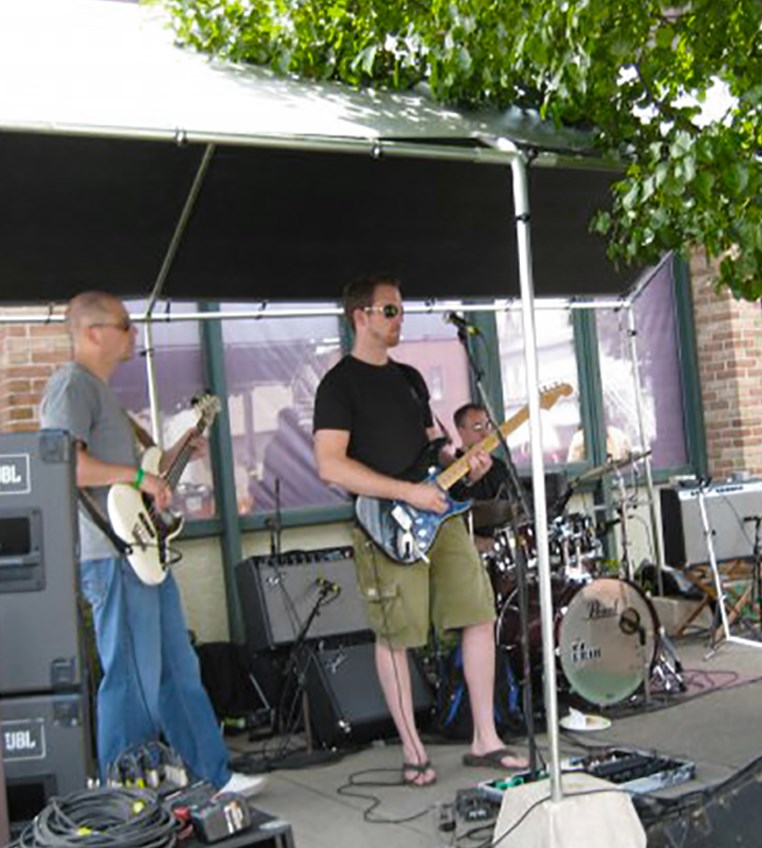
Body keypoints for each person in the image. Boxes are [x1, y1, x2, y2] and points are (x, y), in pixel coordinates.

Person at [40, 291, 264, 796]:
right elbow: (67, 466)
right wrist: (137, 475)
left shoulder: (103, 397)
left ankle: (213, 774)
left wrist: (177, 454)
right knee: (129, 674)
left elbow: (139, 476)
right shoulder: (70, 386)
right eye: (124, 324)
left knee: (176, 669)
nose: (133, 333)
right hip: (111, 555)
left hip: (142, 553)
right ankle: (126, 791)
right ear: (93, 332)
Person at [313, 276, 527, 785]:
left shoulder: (410, 378)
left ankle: (485, 738)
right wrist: (405, 493)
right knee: (397, 636)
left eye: (401, 311)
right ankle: (413, 752)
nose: (399, 319)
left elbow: (437, 448)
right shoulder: (338, 385)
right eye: (389, 310)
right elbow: (330, 466)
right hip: (387, 524)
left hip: (443, 513)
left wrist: (463, 462)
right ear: (360, 316)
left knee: (477, 614)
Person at [450, 402, 517, 552]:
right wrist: (472, 480)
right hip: (468, 548)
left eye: (488, 426)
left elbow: (513, 506)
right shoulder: (450, 469)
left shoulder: (499, 466)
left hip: (503, 545)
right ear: (461, 432)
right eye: (477, 428)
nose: (486, 434)